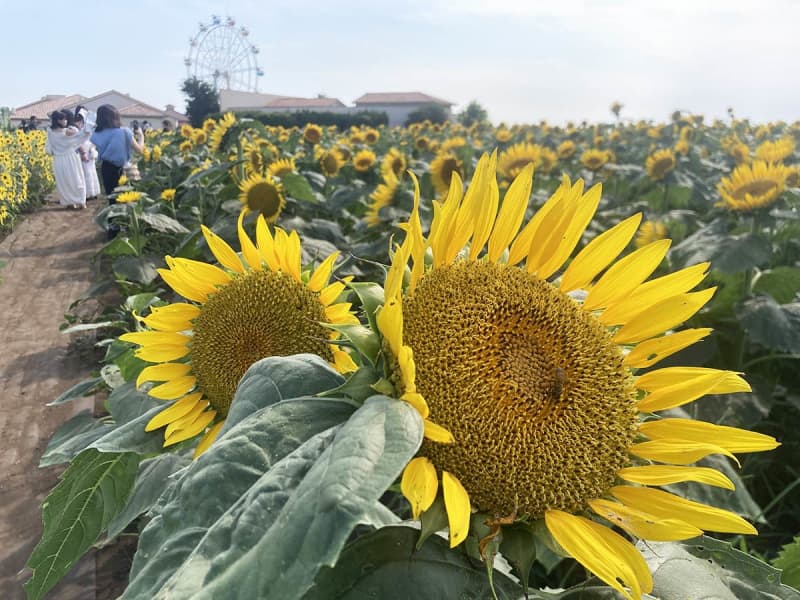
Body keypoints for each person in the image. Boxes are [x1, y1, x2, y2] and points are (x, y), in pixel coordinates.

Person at [90, 104, 145, 199]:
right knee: (126, 198)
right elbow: (139, 150)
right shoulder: (124, 132)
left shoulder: (95, 134)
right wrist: (141, 136)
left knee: (112, 198)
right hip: (124, 169)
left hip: (106, 168)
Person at [45, 110, 90, 209]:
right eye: (63, 119)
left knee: (64, 181)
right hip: (71, 158)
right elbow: (80, 136)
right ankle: (81, 201)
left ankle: (69, 202)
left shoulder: (50, 131)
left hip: (58, 160)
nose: (65, 121)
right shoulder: (68, 131)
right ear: (58, 120)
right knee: (76, 179)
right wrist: (87, 130)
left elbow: (49, 148)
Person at [73, 112, 101, 200]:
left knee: (90, 171)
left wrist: (91, 149)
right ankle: (88, 193)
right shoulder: (79, 129)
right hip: (83, 150)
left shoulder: (89, 128)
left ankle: (92, 192)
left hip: (88, 149)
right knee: (85, 172)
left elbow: (92, 140)